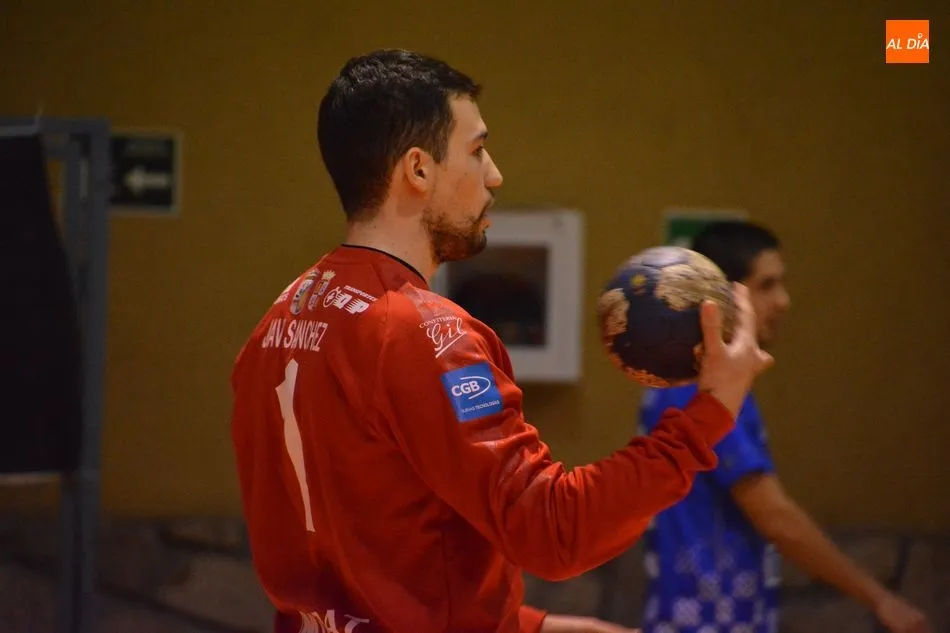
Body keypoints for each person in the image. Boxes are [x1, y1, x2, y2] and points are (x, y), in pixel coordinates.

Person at [229, 49, 771, 633]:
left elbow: (379, 551)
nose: (494, 174)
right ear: (418, 170)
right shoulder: (424, 333)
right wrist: (711, 409)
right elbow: (556, 531)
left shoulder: (279, 320)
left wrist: (531, 626)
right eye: (477, 149)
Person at [637, 221, 931, 633]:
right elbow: (772, 514)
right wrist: (880, 598)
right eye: (767, 285)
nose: (783, 301)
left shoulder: (702, 380)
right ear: (721, 298)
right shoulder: (696, 385)